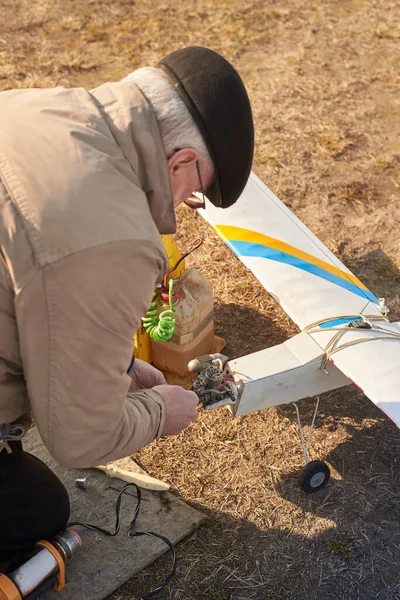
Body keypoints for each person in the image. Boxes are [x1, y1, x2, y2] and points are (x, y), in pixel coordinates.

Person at [0, 46, 254, 562]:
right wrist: (160, 411)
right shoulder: (115, 239)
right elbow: (79, 440)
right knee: (38, 511)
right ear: (181, 162)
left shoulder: (36, 104)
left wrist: (117, 364)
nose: (184, 208)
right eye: (195, 195)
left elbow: (35, 291)